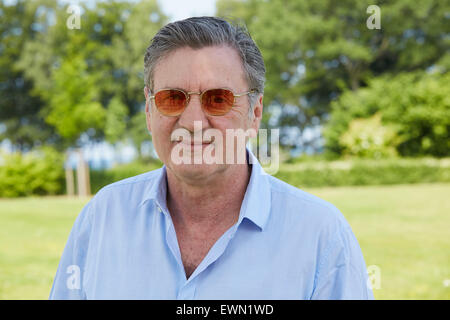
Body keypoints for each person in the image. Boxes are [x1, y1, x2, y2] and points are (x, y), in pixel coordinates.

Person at [49, 16, 374, 299]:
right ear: (149, 111)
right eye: (172, 98)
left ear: (255, 113)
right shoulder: (102, 219)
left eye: (218, 99)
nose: (192, 122)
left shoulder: (321, 236)